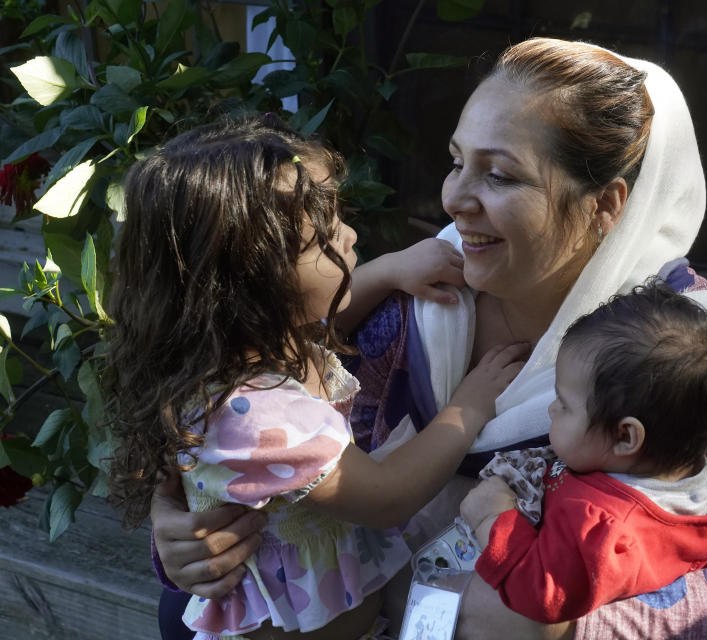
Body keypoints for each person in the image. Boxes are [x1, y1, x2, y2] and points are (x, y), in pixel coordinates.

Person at [149, 38, 707, 639]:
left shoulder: (689, 358)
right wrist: (181, 530)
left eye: (500, 174)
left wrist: (573, 627)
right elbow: (253, 423)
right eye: (457, 161)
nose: (453, 199)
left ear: (607, 205)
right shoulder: (419, 301)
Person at [104, 117, 528, 639]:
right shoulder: (255, 412)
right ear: (253, 285)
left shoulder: (245, 352)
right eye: (320, 236)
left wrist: (392, 269)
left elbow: (328, 322)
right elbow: (386, 496)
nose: (348, 233)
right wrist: (469, 408)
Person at [460, 282, 707, 623]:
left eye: (564, 404)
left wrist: (491, 519)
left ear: (626, 436)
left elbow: (541, 591)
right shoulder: (689, 465)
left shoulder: (604, 531)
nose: (551, 409)